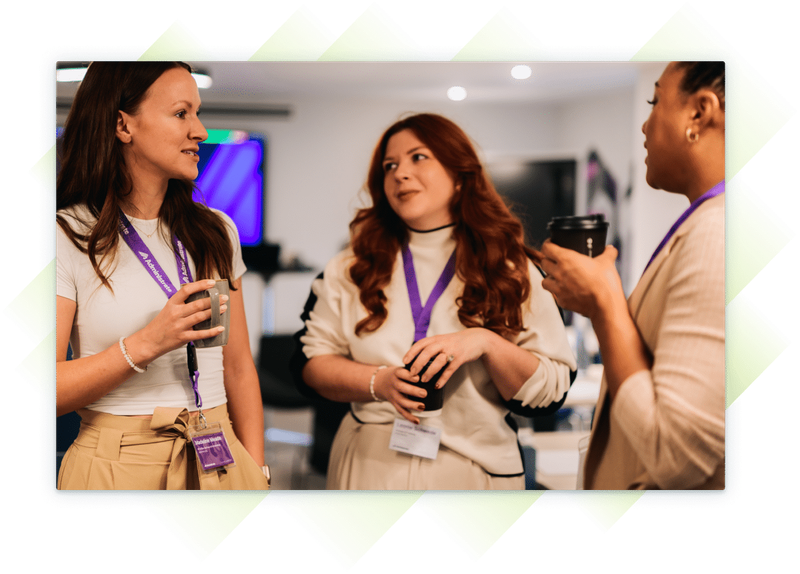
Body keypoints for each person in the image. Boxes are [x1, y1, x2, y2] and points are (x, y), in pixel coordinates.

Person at [291, 113, 577, 490]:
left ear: (460, 175)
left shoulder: (512, 267)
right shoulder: (351, 266)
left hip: (475, 473)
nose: (399, 173)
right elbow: (308, 364)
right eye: (389, 165)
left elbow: (551, 388)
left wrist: (486, 343)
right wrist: (379, 382)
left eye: (418, 157)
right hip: (368, 468)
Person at [55, 61, 270, 490]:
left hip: (222, 458)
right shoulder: (65, 235)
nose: (201, 131)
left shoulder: (217, 230)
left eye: (198, 112)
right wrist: (148, 343)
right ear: (123, 125)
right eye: (181, 113)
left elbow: (239, 367)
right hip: (115, 466)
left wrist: (258, 470)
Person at [539, 61, 726, 490]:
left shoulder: (716, 232)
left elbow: (675, 456)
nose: (644, 125)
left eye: (655, 101)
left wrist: (605, 305)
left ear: (699, 113)